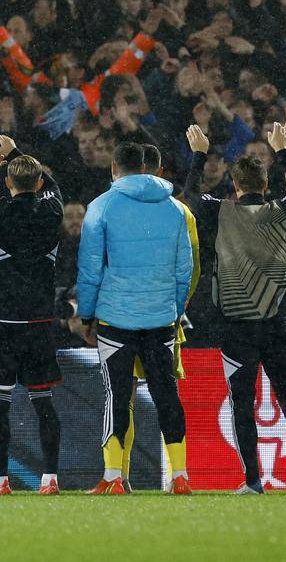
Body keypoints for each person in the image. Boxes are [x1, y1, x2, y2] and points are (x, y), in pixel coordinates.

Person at [187, 121, 286, 494]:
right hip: (278, 323)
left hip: (237, 326)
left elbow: (190, 196)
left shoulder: (221, 211)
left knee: (242, 404)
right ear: (264, 185)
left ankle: (253, 481)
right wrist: (284, 153)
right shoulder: (282, 210)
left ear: (235, 186)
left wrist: (199, 155)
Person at [76, 140, 196, 495]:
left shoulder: (101, 207)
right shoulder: (175, 209)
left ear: (114, 168)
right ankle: (180, 476)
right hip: (161, 317)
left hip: (116, 317)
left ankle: (113, 476)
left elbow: (90, 268)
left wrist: (86, 314)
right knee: (166, 394)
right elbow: (184, 269)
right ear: (146, 168)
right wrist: (176, 311)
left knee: (117, 393)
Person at [0, 136, 65, 496]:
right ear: (39, 183)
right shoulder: (53, 209)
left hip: (1, 320)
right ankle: (51, 478)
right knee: (43, 403)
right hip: (39, 321)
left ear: (8, 183)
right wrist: (14, 152)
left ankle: (0, 480)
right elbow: (53, 185)